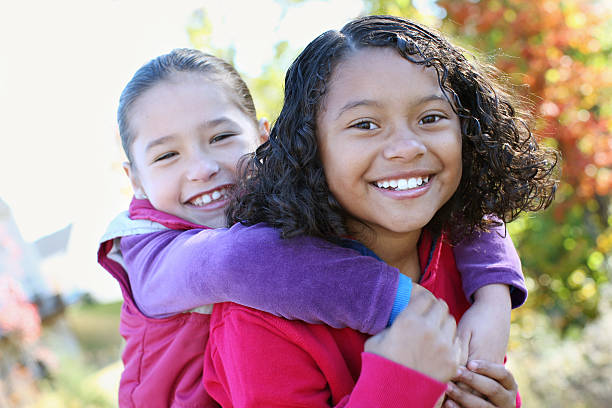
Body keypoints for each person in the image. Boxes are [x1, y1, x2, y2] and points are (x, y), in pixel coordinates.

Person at [98, 48, 529, 407]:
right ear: (134, 178)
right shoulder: (149, 251)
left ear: (265, 138)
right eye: (166, 156)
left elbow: (464, 203)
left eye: (221, 138)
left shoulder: (298, 208)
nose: (202, 169)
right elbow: (244, 261)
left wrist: (493, 295)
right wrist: (404, 304)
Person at [204, 15, 558, 407]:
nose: (406, 147)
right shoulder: (261, 314)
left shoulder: (463, 257)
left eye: (430, 118)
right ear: (311, 149)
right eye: (366, 124)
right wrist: (400, 381)